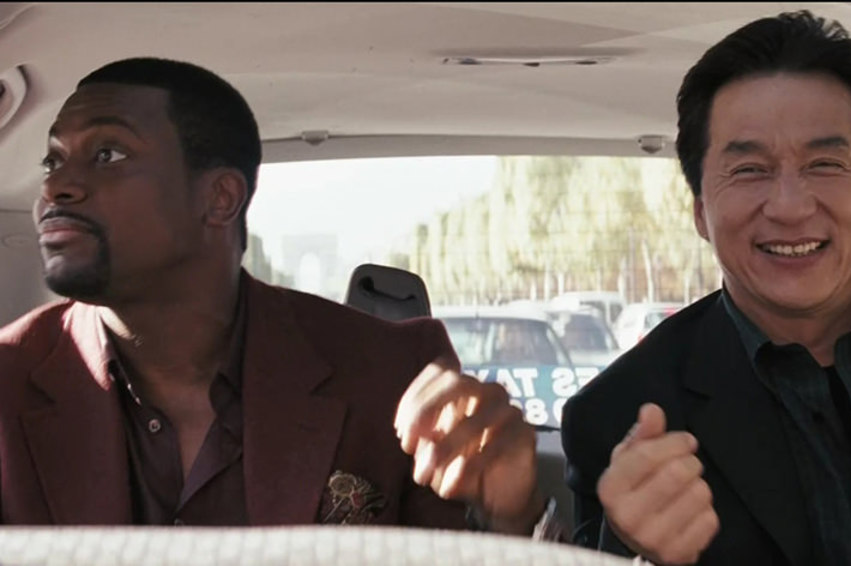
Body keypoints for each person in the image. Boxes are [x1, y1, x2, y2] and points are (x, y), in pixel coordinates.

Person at [0, 57, 553, 535]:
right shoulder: (8, 382)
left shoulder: (392, 377)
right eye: (52, 160)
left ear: (220, 198)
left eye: (108, 154)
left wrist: (510, 516)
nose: (55, 185)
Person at [562, 10, 851, 566]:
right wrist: (635, 554)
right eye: (749, 170)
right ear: (701, 213)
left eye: (826, 163)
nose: (790, 207)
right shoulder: (622, 416)